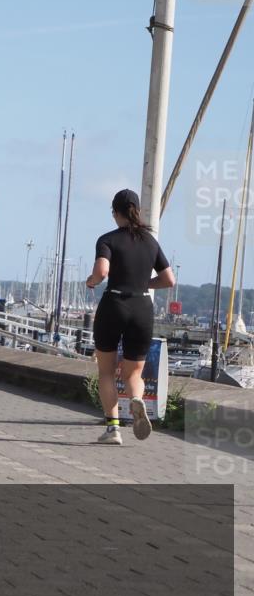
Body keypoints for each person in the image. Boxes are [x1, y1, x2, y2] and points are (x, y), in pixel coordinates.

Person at [85, 189, 174, 446]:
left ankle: (113, 429)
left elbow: (102, 271)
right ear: (137, 210)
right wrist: (143, 281)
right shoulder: (150, 242)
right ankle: (136, 400)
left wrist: (92, 281)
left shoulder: (107, 239)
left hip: (114, 304)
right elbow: (169, 279)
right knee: (134, 374)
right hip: (142, 307)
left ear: (115, 213)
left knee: (106, 372)